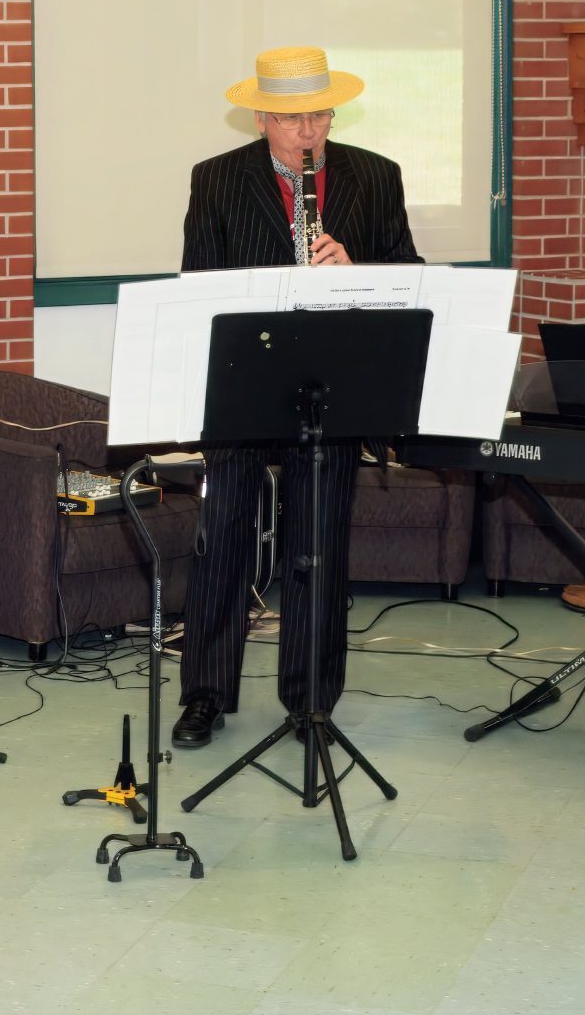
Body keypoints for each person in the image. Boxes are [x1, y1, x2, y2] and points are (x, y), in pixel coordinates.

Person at [173, 46, 422, 748]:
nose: (307, 132)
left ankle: (310, 700)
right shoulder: (217, 181)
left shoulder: (376, 176)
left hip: (334, 384)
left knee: (319, 543)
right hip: (248, 378)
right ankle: (205, 694)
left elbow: (409, 277)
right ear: (260, 118)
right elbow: (197, 285)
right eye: (290, 119)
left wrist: (357, 269)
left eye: (317, 115)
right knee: (224, 538)